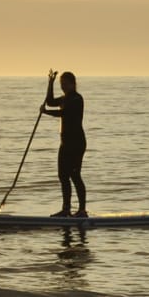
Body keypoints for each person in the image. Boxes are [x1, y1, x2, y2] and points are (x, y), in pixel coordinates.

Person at [42, 70, 87, 217]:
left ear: (73, 84)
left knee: (75, 175)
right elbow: (49, 101)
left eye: (65, 84)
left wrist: (46, 112)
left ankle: (81, 210)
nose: (63, 87)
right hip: (65, 143)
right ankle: (66, 209)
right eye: (61, 84)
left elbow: (64, 113)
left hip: (77, 143)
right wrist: (50, 83)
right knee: (62, 175)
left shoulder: (77, 99)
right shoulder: (63, 99)